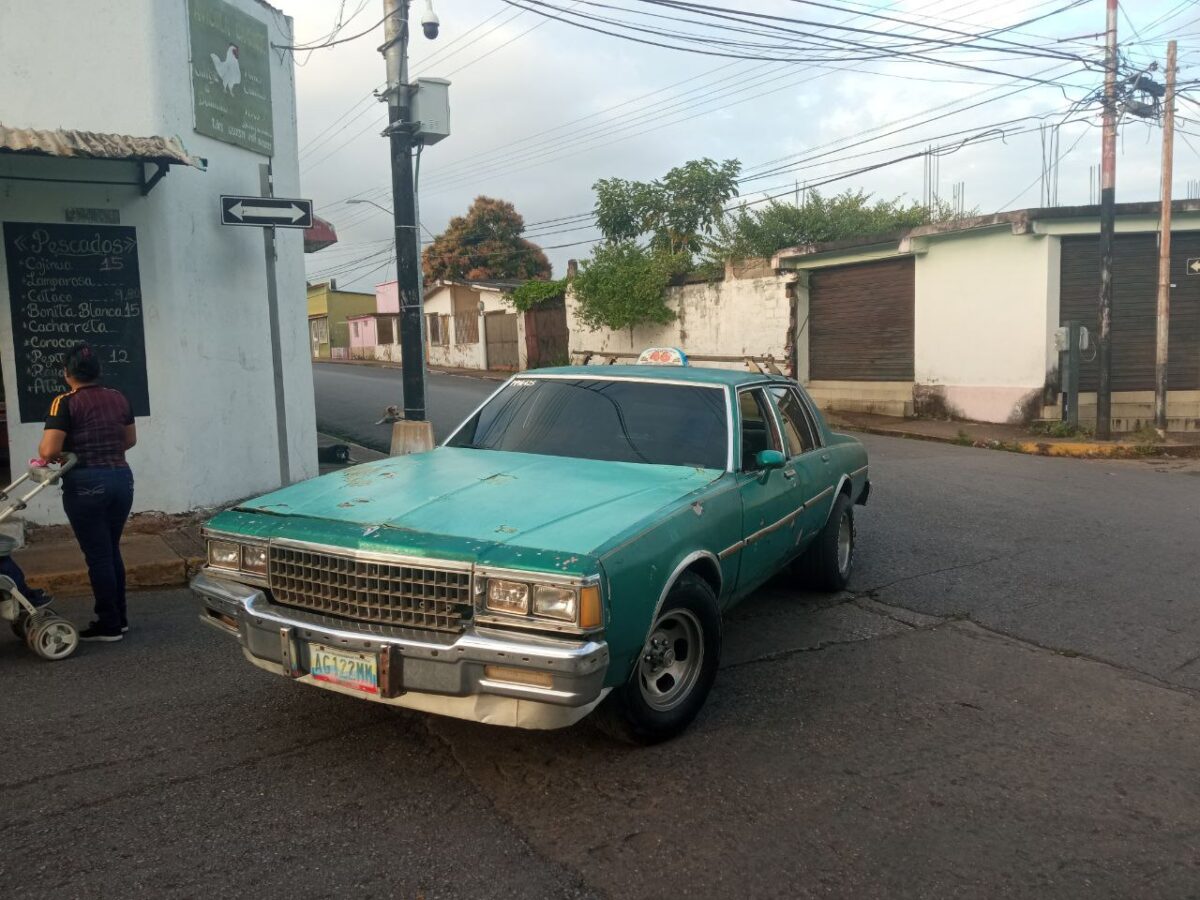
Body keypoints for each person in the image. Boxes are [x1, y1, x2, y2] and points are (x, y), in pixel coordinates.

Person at [39, 343, 136, 642]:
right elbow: (129, 441)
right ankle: (119, 619)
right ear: (99, 371)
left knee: (98, 555)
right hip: (121, 479)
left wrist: (56, 454)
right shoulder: (119, 398)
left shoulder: (64, 402)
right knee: (110, 549)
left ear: (67, 374)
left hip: (86, 484)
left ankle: (108, 624)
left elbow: (49, 450)